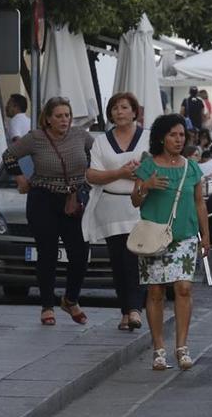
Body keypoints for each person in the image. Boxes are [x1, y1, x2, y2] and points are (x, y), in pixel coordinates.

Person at [1, 97, 93, 326]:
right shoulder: (36, 138)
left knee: (80, 254)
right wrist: (21, 178)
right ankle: (47, 306)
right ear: (49, 119)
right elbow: (9, 155)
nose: (64, 120)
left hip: (74, 200)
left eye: (67, 115)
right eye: (59, 116)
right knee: (48, 253)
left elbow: (100, 153)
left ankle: (70, 299)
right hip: (43, 199)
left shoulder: (81, 135)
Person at [131, 114, 210, 371]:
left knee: (184, 287)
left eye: (181, 135)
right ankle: (158, 349)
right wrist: (147, 186)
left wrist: (205, 235)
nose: (178, 139)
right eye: (173, 135)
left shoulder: (192, 168)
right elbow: (135, 201)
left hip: (184, 236)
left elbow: (199, 202)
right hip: (153, 237)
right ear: (161, 137)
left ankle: (182, 347)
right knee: (155, 291)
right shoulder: (147, 165)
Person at [83, 93, 149, 331]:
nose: (119, 112)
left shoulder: (148, 138)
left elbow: (156, 166)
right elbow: (92, 175)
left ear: (134, 112)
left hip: (139, 206)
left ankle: (135, 309)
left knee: (135, 258)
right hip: (110, 207)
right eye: (114, 108)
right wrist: (120, 173)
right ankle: (125, 310)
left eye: (124, 107)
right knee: (118, 262)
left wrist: (141, 172)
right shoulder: (101, 141)